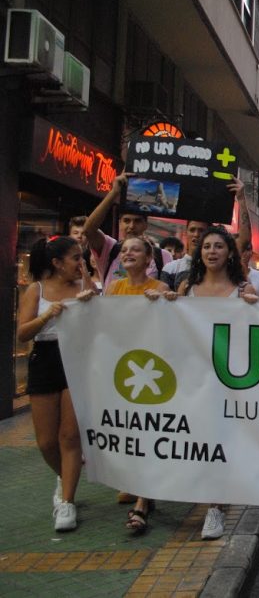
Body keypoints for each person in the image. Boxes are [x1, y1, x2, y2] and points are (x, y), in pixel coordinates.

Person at [167, 227, 259, 543]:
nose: (212, 251)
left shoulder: (243, 288)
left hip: (228, 379)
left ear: (229, 252)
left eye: (219, 246)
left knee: (219, 440)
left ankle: (215, 506)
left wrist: (254, 307)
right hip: (192, 377)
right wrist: (160, 302)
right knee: (199, 440)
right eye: (206, 246)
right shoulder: (185, 288)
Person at [16, 237, 97, 532]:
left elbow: (101, 318)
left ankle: (67, 503)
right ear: (56, 263)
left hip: (77, 357)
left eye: (82, 257)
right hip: (45, 359)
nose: (80, 263)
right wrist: (49, 314)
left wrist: (88, 291)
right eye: (75, 258)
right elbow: (23, 333)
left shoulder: (83, 286)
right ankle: (65, 475)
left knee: (69, 437)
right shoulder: (35, 290)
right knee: (47, 441)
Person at [103, 237, 171, 532]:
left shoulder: (160, 289)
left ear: (149, 260)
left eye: (136, 249)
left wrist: (167, 305)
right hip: (123, 371)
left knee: (149, 433)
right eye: (124, 249)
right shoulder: (113, 289)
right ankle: (140, 488)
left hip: (153, 371)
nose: (128, 253)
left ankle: (142, 502)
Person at [82, 173, 173, 290]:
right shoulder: (109, 248)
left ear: (146, 225)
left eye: (137, 221)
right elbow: (88, 230)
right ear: (120, 223)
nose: (131, 226)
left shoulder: (162, 256)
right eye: (126, 220)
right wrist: (114, 193)